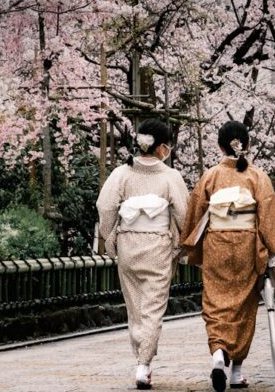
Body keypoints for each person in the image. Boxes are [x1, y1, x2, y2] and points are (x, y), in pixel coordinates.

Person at [180, 121, 275, 392]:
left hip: (217, 245)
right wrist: (273, 256)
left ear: (220, 146)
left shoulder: (210, 177)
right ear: (247, 145)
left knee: (216, 303)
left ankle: (219, 355)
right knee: (244, 306)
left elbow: (195, 215)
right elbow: (268, 219)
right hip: (246, 246)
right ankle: (237, 371)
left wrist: (191, 250)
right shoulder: (257, 177)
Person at [96, 119, 188, 390]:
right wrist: (182, 244)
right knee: (153, 308)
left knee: (135, 306)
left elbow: (105, 206)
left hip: (128, 245)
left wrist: (109, 235)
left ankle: (140, 359)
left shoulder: (121, 174)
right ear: (161, 147)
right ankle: (144, 364)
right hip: (158, 246)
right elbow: (184, 213)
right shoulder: (171, 177)